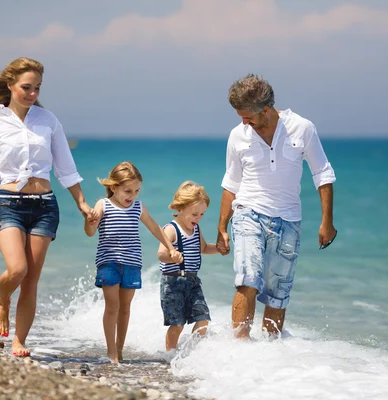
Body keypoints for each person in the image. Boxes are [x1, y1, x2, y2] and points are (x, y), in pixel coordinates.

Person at [0, 57, 96, 357]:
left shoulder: (48, 121)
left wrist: (80, 201)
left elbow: (65, 166)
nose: (32, 94)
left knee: (31, 279)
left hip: (44, 205)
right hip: (8, 204)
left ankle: (19, 341)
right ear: (10, 86)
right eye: (26, 88)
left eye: (37, 88)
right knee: (17, 269)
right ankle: (3, 300)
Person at [216, 73, 337, 339]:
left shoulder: (302, 128)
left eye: (248, 116)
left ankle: (271, 358)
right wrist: (222, 226)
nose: (243, 122)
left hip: (288, 220)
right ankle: (238, 349)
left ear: (267, 109)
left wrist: (327, 222)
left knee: (277, 294)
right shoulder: (238, 135)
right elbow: (231, 182)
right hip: (248, 212)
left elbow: (323, 173)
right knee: (247, 279)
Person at [84, 161, 183, 363]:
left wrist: (171, 248)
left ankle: (120, 349)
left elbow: (155, 228)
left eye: (137, 191)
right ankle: (111, 351)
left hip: (132, 263)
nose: (133, 195)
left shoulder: (138, 207)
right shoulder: (103, 205)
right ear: (114, 187)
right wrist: (90, 221)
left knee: (125, 307)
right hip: (108, 262)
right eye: (128, 191)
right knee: (112, 305)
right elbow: (90, 233)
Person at [157, 181, 218, 351]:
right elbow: (161, 254)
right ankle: (170, 355)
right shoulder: (171, 229)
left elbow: (204, 248)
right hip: (173, 283)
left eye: (202, 215)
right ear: (180, 208)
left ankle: (193, 352)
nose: (198, 218)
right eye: (194, 214)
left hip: (192, 282)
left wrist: (219, 248)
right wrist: (173, 256)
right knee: (177, 324)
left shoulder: (196, 230)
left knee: (203, 318)